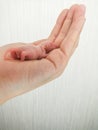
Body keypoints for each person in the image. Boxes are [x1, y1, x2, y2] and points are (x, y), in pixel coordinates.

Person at [0, 4, 86, 104]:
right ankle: (21, 55)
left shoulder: (41, 49)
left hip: (31, 50)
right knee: (24, 53)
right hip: (31, 50)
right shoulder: (41, 51)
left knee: (24, 52)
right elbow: (43, 54)